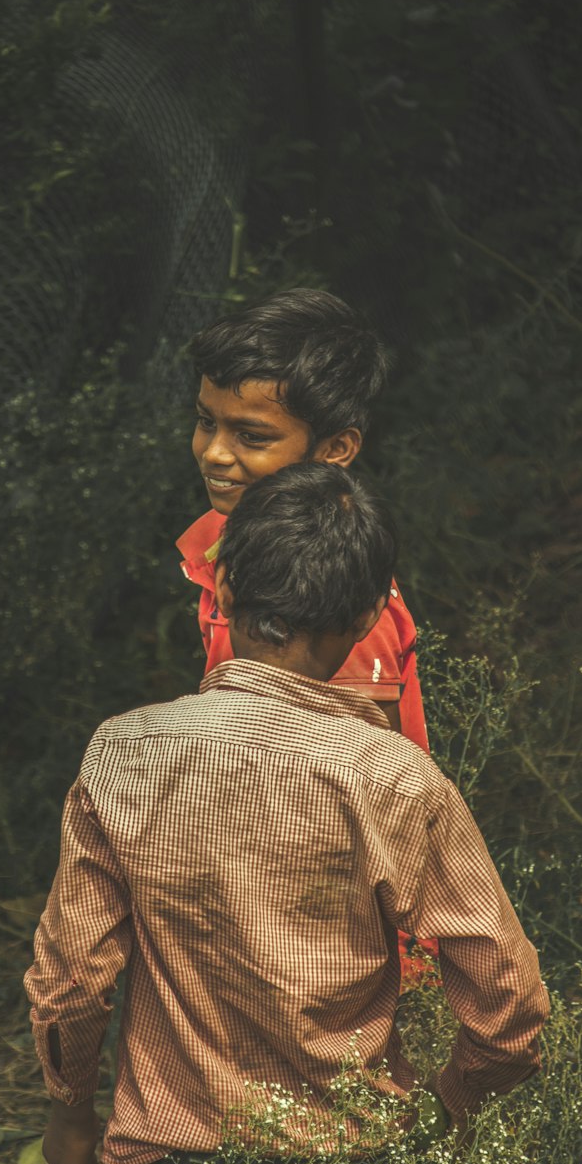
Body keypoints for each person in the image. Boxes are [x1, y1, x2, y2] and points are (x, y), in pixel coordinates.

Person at [25, 462, 550, 1164]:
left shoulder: (124, 752)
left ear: (224, 591)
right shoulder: (398, 781)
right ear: (361, 627)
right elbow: (510, 1008)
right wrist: (449, 1107)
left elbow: (71, 983)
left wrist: (72, 1112)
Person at [177, 286, 436, 982]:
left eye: (252, 436)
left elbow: (365, 793)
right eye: (207, 423)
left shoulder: (348, 610)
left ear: (336, 450)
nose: (216, 454)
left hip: (334, 933)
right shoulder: (224, 548)